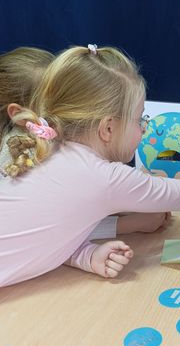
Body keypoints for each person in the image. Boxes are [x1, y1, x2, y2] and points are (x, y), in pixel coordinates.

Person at [0, 45, 180, 287]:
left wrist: (86, 255)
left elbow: (36, 233)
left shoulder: (42, 148)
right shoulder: (103, 178)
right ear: (108, 128)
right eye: (140, 120)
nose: (144, 128)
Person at [0, 46, 171, 237]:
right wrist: (128, 224)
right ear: (17, 113)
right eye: (49, 102)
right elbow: (51, 228)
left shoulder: (59, 139)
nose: (64, 110)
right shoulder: (20, 158)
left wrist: (127, 205)